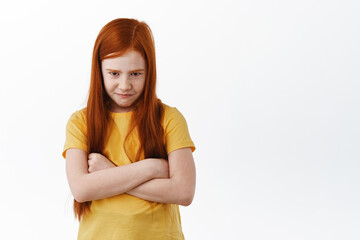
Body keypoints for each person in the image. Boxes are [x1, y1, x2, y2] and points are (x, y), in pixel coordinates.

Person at [62, 18, 196, 239]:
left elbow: (184, 191)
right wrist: (152, 168)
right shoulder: (80, 123)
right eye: (114, 73)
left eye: (135, 74)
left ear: (149, 71)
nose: (124, 85)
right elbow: (81, 189)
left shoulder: (169, 119)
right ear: (99, 70)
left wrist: (108, 174)